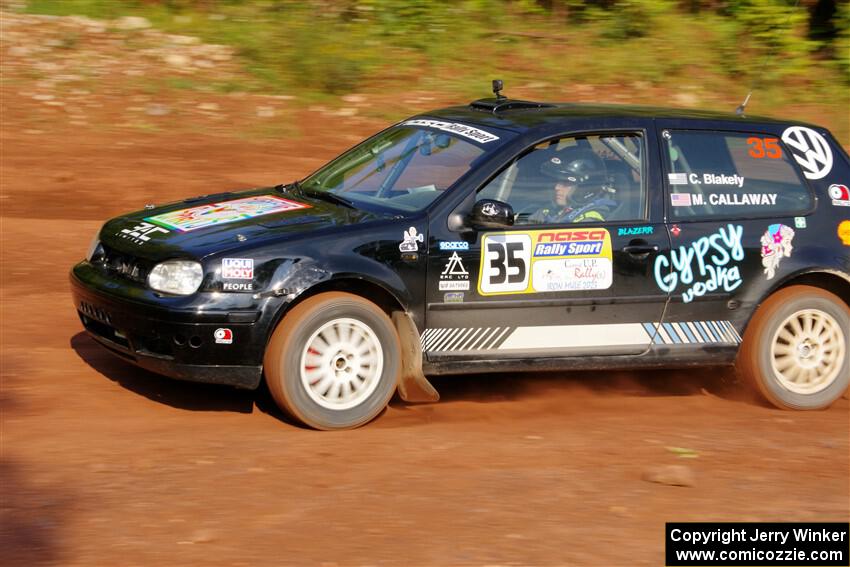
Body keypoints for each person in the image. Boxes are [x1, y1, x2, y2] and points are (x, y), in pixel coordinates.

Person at [528, 148, 618, 224]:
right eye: (557, 181)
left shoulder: (590, 221)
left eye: (566, 182)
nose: (557, 188)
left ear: (583, 188)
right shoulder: (551, 210)